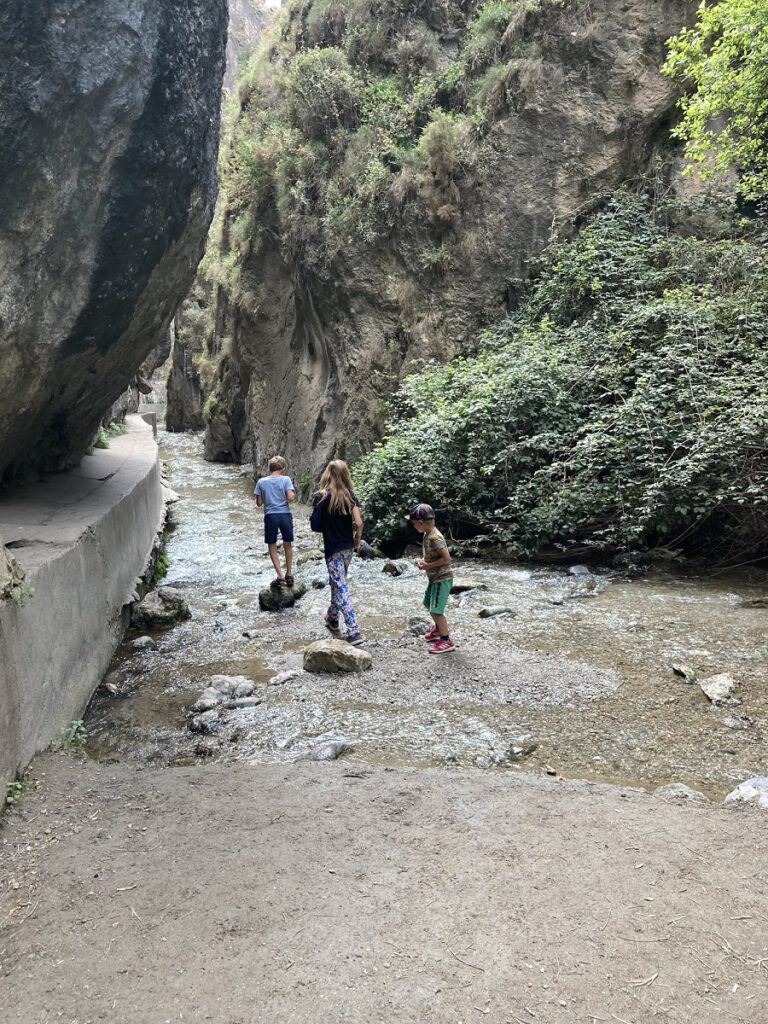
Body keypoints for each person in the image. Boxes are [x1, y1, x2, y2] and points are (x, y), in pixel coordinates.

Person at [310, 459, 364, 646]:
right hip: (348, 548)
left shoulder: (322, 497)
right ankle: (332, 618)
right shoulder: (351, 496)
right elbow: (358, 523)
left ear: (327, 474)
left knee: (340, 586)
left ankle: (354, 630)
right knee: (337, 583)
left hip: (332, 549)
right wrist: (357, 539)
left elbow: (315, 526)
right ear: (345, 474)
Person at [406, 503, 456, 654]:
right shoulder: (427, 534)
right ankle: (438, 629)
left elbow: (447, 559)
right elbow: (430, 553)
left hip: (442, 578)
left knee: (437, 610)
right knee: (428, 603)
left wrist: (428, 566)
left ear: (420, 523)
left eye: (414, 523)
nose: (413, 526)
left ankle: (446, 640)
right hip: (434, 578)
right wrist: (424, 561)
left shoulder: (435, 537)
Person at [254, 455, 295, 588]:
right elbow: (291, 498)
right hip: (285, 515)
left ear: (270, 468)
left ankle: (280, 576)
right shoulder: (286, 479)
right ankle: (289, 574)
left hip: (270, 516)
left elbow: (259, 503)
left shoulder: (261, 482)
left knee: (272, 545)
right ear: (283, 468)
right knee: (287, 543)